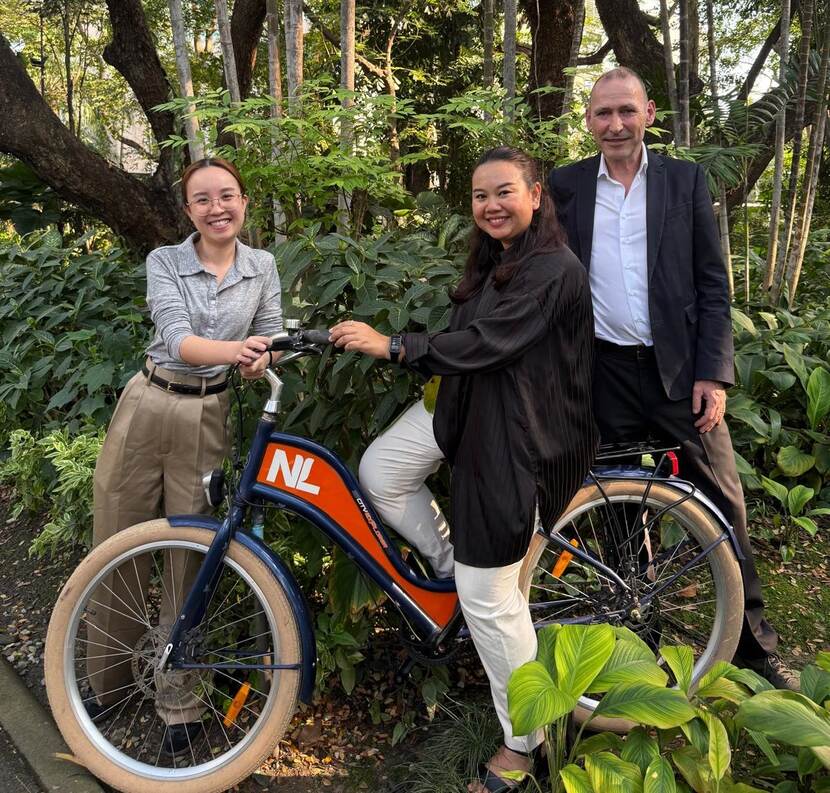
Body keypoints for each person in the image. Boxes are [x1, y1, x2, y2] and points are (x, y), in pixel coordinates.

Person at [330, 146, 598, 792]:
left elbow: (487, 343)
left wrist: (392, 344)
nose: (491, 205)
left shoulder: (553, 267)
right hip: (469, 405)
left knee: (490, 598)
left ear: (536, 193)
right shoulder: (495, 259)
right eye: (480, 196)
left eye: (504, 191)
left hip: (523, 432)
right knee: (381, 470)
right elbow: (473, 344)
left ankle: (524, 741)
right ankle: (450, 560)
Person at [547, 66, 797, 690]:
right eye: (603, 113)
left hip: (679, 376)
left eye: (626, 111)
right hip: (601, 373)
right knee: (616, 508)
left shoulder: (685, 181)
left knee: (722, 499)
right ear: (588, 120)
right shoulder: (567, 186)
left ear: (650, 114)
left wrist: (714, 373)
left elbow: (713, 284)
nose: (615, 124)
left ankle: (751, 644)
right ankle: (638, 640)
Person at [86, 157, 283, 753]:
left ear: (244, 202)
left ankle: (179, 701)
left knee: (191, 553)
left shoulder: (263, 266)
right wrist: (239, 347)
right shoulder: (165, 261)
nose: (217, 207)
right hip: (148, 403)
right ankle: (106, 679)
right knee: (116, 537)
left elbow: (269, 335)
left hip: (209, 413)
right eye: (203, 199)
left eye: (227, 196)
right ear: (189, 210)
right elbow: (176, 337)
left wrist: (260, 359)